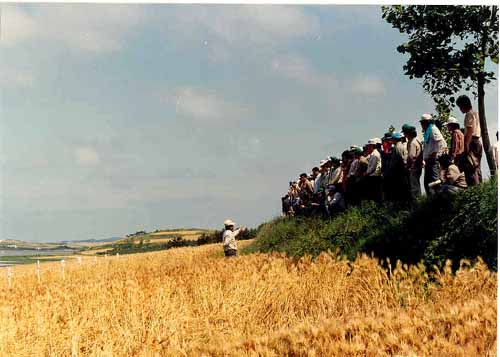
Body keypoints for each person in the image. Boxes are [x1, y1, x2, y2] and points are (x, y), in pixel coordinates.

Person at [456, 95, 482, 186]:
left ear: (463, 105)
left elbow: (470, 130)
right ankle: (479, 188)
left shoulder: (469, 114)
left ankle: (474, 190)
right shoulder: (476, 113)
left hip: (472, 142)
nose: (460, 109)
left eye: (460, 107)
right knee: (476, 167)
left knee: (470, 168)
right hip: (478, 142)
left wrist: (466, 145)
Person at [420, 114, 447, 194]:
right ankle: (432, 200)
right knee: (428, 182)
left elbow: (441, 142)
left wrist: (436, 153)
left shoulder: (432, 129)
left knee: (435, 181)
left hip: (433, 160)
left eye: (423, 123)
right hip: (428, 160)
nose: (421, 125)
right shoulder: (428, 131)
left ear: (426, 122)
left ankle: (439, 198)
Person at [402, 124, 423, 201]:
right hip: (418, 166)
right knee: (416, 185)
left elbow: (411, 156)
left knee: (414, 187)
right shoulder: (417, 140)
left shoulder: (412, 142)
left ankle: (417, 204)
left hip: (414, 167)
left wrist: (407, 166)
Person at [364, 138, 383, 202]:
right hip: (371, 176)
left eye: (369, 146)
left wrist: (366, 173)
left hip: (374, 176)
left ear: (372, 146)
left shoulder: (375, 154)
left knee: (375, 194)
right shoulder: (372, 154)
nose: (368, 147)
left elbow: (373, 167)